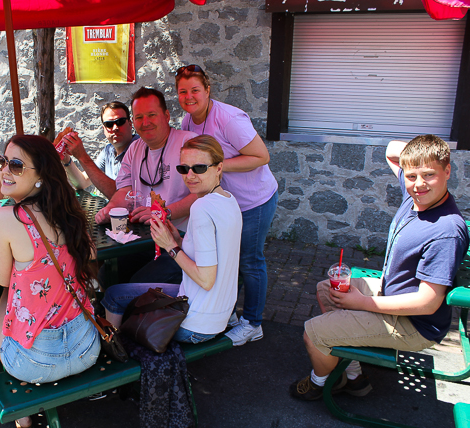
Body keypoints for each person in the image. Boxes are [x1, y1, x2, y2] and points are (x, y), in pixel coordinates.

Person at [290, 135, 469, 401]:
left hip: (413, 324)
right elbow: (391, 151)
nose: (419, 184)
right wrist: (416, 158)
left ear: (447, 170)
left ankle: (321, 383)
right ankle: (354, 374)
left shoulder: (445, 230)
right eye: (411, 175)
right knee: (327, 289)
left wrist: (362, 303)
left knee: (312, 333)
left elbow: (427, 303)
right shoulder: (416, 196)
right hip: (390, 294)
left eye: (429, 174)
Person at [0, 134, 100, 428]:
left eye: (16, 165)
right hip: (87, 349)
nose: (4, 171)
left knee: (3, 297)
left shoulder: (6, 217)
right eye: (2, 162)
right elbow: (90, 252)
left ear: (41, 176)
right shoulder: (68, 209)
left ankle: (21, 411)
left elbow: (0, 277)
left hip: (33, 363)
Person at [175, 64, 278, 346]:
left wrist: (214, 166)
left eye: (195, 90)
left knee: (249, 261)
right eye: (183, 92)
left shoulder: (229, 118)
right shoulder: (187, 122)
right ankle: (227, 314)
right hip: (224, 202)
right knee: (225, 260)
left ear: (207, 90)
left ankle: (253, 323)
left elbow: (261, 156)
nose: (189, 97)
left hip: (254, 200)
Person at [102, 135, 242, 343]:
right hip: (217, 319)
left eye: (199, 168)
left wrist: (171, 247)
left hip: (194, 325)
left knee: (114, 295)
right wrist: (176, 239)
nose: (190, 176)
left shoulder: (201, 207)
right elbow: (212, 257)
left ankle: (119, 353)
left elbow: (206, 279)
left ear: (219, 168)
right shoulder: (229, 201)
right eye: (184, 169)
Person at [95, 87, 199, 285]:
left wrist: (162, 213)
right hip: (145, 240)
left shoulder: (189, 144)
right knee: (107, 276)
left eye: (152, 115)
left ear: (166, 116)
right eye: (139, 117)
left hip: (181, 243)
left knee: (137, 284)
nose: (145, 122)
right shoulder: (135, 148)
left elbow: (202, 194)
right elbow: (125, 190)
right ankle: (107, 315)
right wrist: (111, 209)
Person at [60, 101, 140, 199]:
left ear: (130, 124)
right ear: (104, 129)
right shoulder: (108, 150)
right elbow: (83, 182)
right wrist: (66, 159)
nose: (115, 128)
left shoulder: (140, 148)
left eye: (120, 122)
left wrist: (82, 156)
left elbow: (122, 197)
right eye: (109, 124)